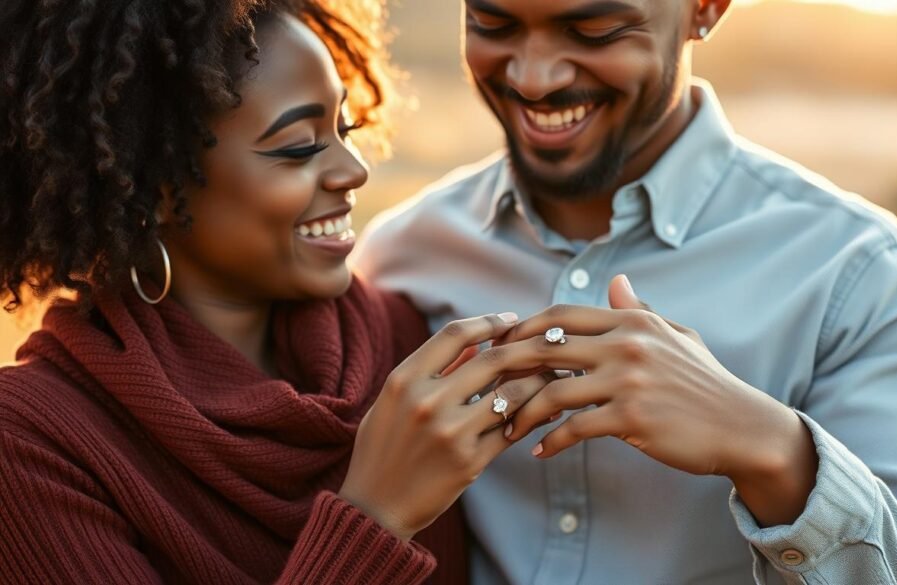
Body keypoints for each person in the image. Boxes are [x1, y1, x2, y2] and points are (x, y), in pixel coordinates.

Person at [353, 0, 897, 583]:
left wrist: (772, 448)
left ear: (705, 6)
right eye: (492, 23)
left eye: (593, 31)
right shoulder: (400, 254)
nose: (534, 76)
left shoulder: (858, 270)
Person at [0, 1, 563, 583]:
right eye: (299, 147)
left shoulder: (404, 345)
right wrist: (377, 516)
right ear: (157, 187)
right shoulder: (31, 445)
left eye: (343, 130)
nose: (353, 170)